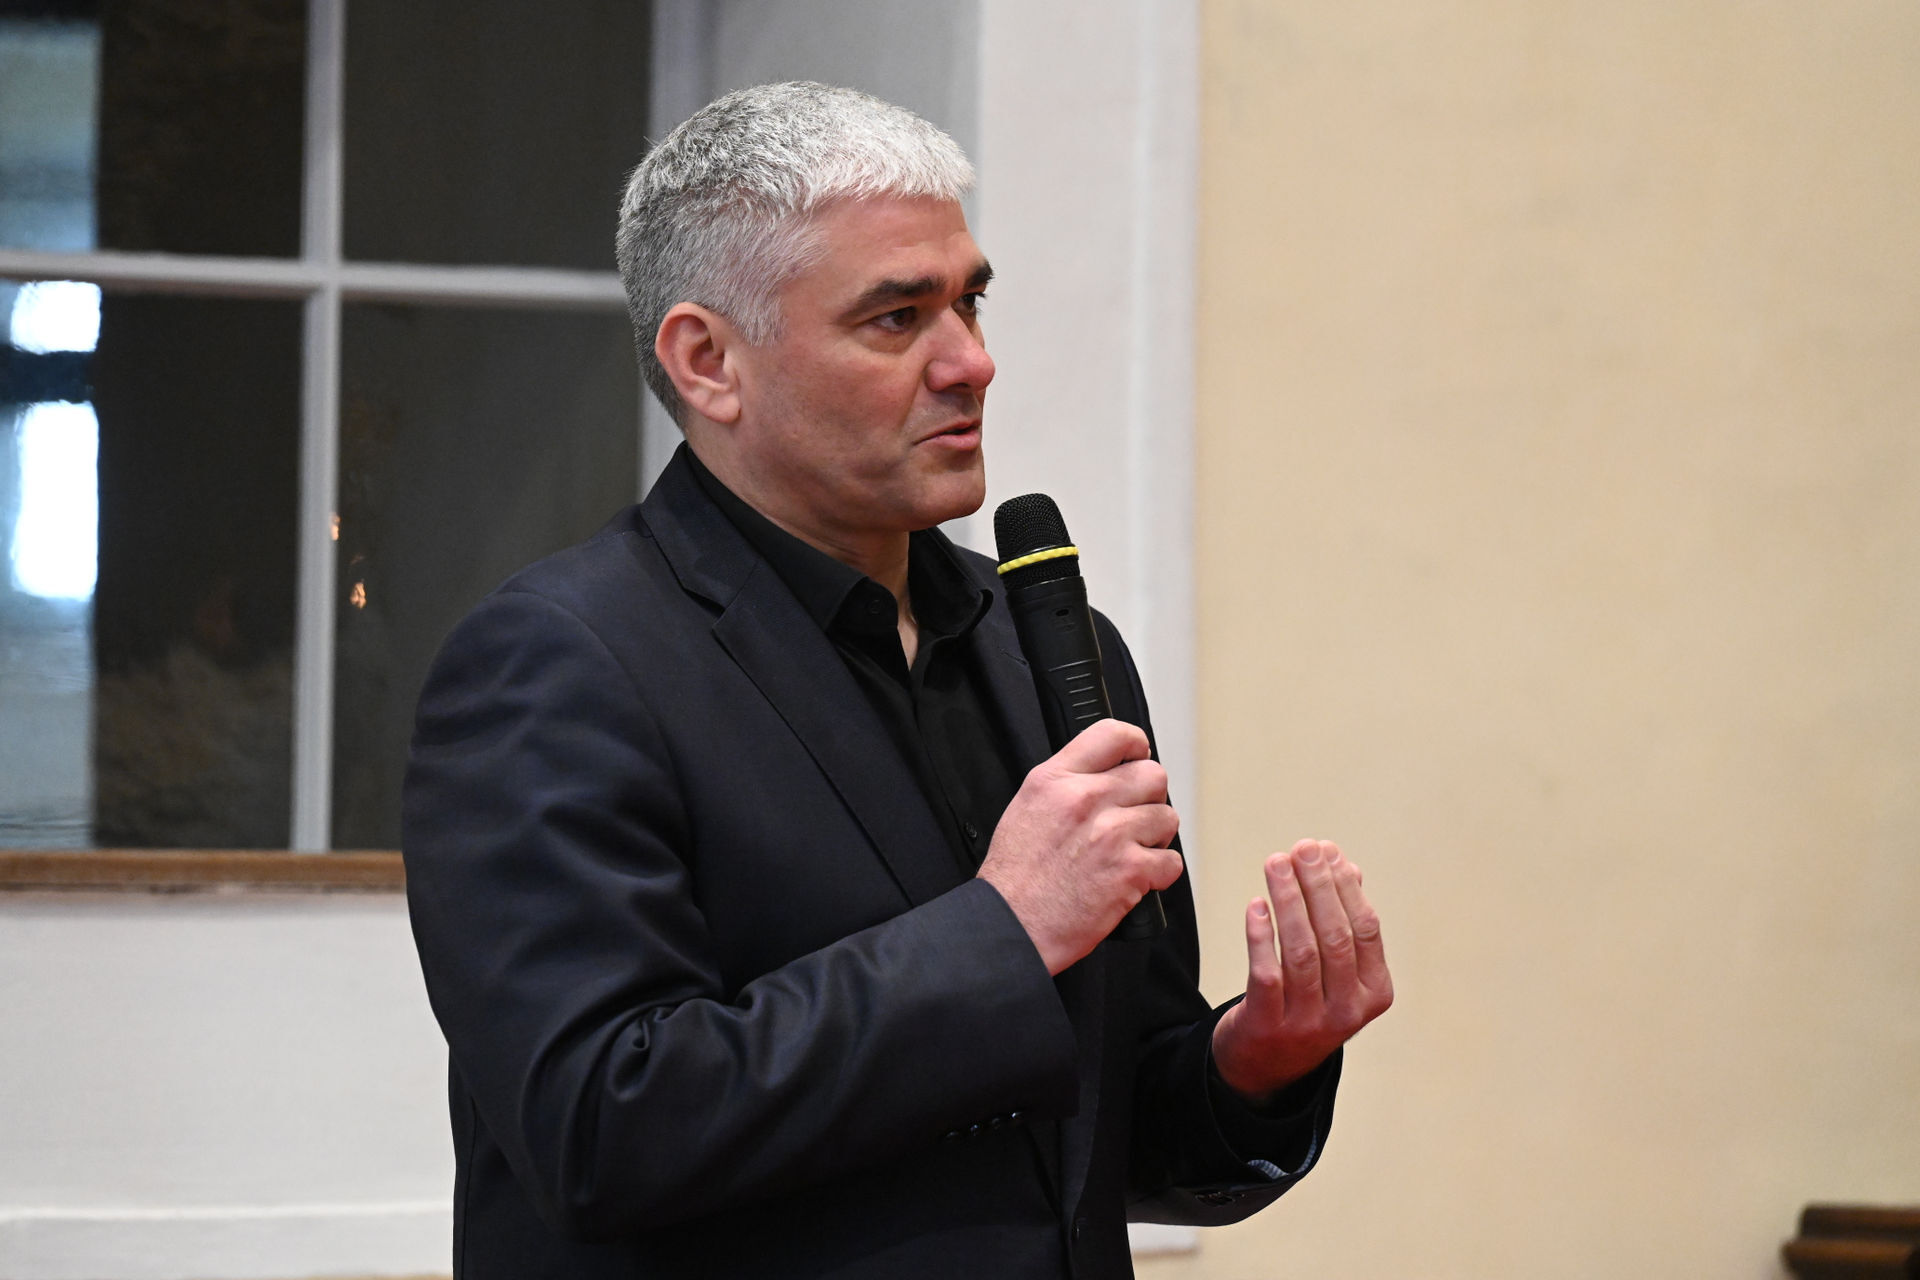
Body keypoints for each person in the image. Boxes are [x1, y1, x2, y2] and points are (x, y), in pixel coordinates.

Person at [401, 82, 1392, 1280]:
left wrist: (1252, 1062)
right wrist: (1002, 931)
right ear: (708, 361)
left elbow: (1095, 1143)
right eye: (897, 317)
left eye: (969, 301)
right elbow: (600, 1126)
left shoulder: (1047, 645)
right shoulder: (560, 662)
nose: (971, 361)